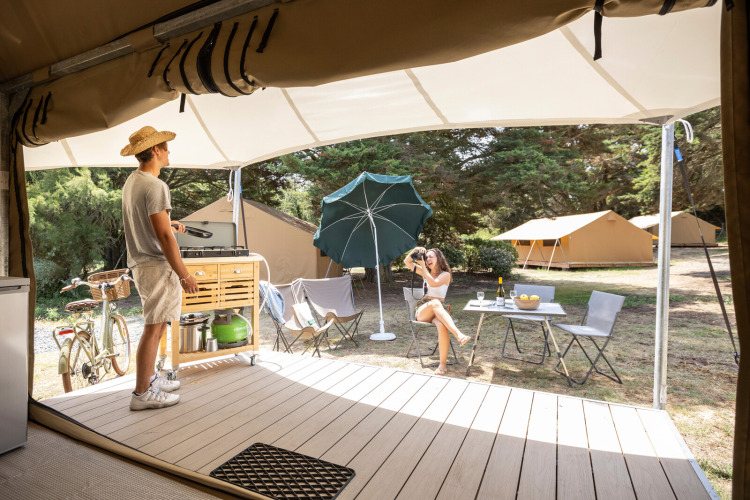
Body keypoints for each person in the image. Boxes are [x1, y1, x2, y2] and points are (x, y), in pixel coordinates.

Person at [120, 126, 199, 410]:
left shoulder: (133, 181)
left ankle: (150, 378)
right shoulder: (156, 186)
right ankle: (142, 393)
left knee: (157, 324)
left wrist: (171, 226)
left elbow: (156, 227)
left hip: (142, 263)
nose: (168, 152)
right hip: (156, 266)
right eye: (165, 147)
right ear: (155, 150)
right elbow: (163, 238)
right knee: (153, 329)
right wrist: (185, 275)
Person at [405, 246, 470, 376]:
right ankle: (459, 334)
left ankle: (442, 366)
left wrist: (423, 267)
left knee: (441, 325)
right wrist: (415, 250)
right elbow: (407, 262)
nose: (427, 259)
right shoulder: (424, 271)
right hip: (424, 310)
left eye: (431, 256)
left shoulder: (445, 275)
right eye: (426, 256)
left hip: (440, 310)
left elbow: (434, 282)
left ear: (439, 258)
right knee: (435, 302)